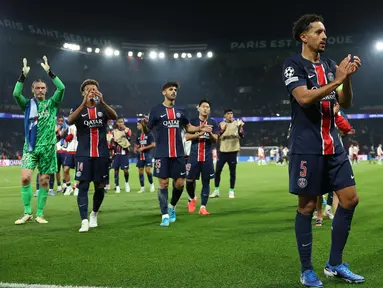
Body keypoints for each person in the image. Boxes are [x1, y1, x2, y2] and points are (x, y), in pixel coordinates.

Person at [282, 14, 364, 286]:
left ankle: (335, 263)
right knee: (306, 206)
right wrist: (335, 81)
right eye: (318, 31)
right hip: (307, 147)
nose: (324, 36)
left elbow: (346, 102)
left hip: (334, 145)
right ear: (304, 37)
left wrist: (346, 79)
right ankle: (306, 269)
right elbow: (304, 98)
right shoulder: (293, 65)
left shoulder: (330, 65)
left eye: (325, 31)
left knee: (350, 200)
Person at [145, 82, 212, 226]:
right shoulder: (156, 110)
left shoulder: (181, 110)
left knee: (180, 184)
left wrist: (201, 128)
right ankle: (164, 215)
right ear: (164, 92)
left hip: (179, 153)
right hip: (162, 153)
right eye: (171, 89)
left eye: (175, 90)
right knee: (163, 183)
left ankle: (172, 207)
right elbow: (147, 130)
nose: (174, 91)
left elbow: (188, 127)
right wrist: (144, 124)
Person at [14, 56, 65, 224]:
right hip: (31, 147)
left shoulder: (52, 104)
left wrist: (50, 72)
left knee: (44, 180)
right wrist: (22, 76)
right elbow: (16, 93)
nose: (41, 90)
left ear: (46, 90)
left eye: (43, 88)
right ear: (33, 90)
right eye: (38, 88)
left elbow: (62, 87)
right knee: (25, 178)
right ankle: (27, 212)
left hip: (48, 147)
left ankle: (40, 214)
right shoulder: (27, 105)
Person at [68, 79, 117, 232]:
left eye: (94, 89)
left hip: (101, 154)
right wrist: (83, 103)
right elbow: (69, 121)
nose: (92, 91)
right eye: (88, 89)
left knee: (100, 186)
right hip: (83, 154)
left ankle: (94, 213)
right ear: (83, 93)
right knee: (83, 185)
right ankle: (84, 220)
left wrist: (103, 101)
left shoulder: (102, 108)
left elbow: (114, 116)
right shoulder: (78, 108)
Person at [185, 100, 219, 215]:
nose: (205, 109)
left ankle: (203, 207)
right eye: (203, 106)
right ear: (198, 108)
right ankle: (191, 198)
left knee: (206, 181)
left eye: (208, 107)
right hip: (194, 155)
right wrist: (200, 131)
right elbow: (187, 137)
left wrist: (209, 133)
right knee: (189, 180)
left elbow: (215, 140)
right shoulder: (193, 121)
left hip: (207, 156)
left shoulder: (213, 122)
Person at [210, 109, 244, 199]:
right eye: (228, 114)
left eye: (231, 113)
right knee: (217, 171)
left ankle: (231, 191)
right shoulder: (221, 124)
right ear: (224, 115)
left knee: (232, 172)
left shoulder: (237, 123)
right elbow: (217, 136)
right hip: (223, 151)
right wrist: (223, 130)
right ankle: (216, 190)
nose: (230, 115)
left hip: (233, 151)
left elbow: (242, 135)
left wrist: (240, 128)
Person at [134, 119, 156, 193]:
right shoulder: (138, 134)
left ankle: (151, 184)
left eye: (138, 125)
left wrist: (144, 148)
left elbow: (153, 144)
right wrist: (136, 148)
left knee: (148, 171)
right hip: (140, 155)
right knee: (140, 171)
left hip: (148, 155)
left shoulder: (149, 134)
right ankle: (142, 188)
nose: (137, 126)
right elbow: (136, 144)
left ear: (142, 125)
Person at [110, 117, 132, 193]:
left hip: (124, 153)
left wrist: (125, 129)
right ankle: (117, 186)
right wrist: (113, 143)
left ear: (123, 123)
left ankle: (126, 183)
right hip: (116, 154)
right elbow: (111, 143)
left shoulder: (127, 130)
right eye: (119, 122)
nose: (120, 123)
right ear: (116, 123)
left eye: (122, 122)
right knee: (116, 170)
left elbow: (129, 137)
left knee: (126, 170)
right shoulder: (114, 132)